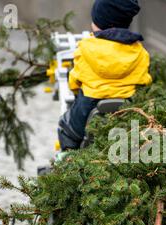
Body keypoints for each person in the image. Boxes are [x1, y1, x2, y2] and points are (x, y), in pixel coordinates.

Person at [58, 0, 152, 151]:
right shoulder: (140, 52)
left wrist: (77, 90)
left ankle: (67, 159)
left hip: (88, 108)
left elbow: (74, 82)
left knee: (67, 129)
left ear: (101, 22)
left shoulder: (84, 47)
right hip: (127, 108)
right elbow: (144, 81)